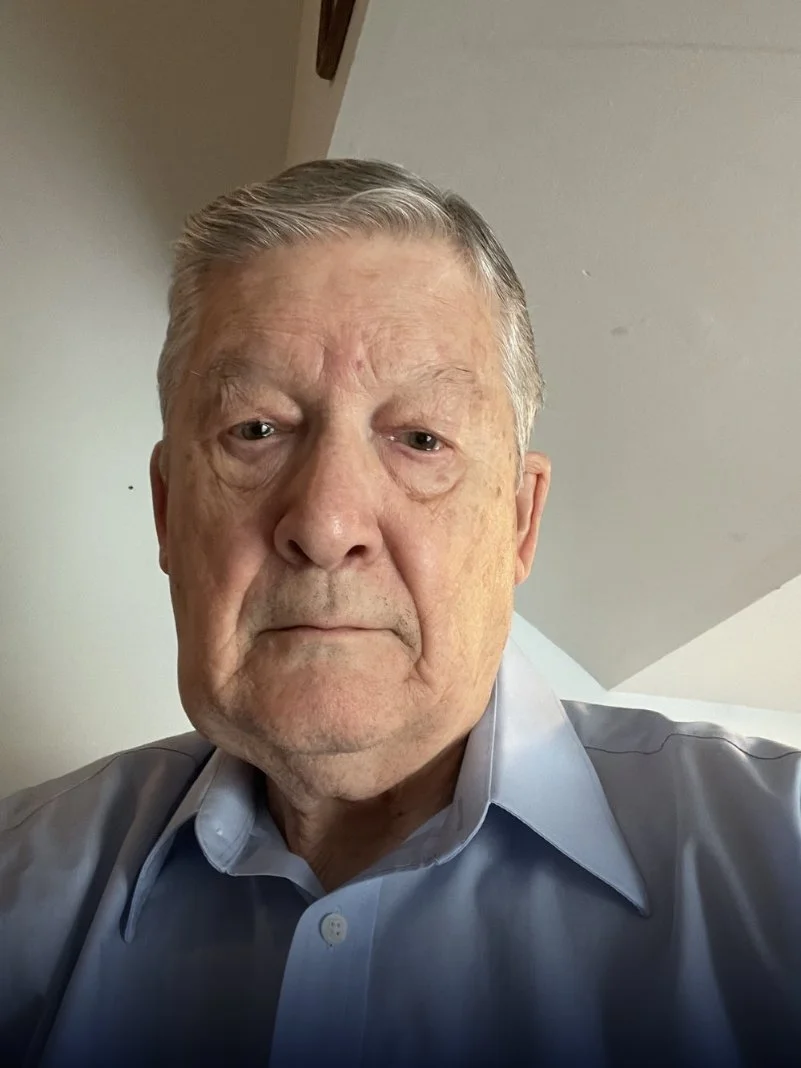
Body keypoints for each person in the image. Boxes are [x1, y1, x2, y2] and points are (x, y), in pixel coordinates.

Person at [1, 159, 799, 1068]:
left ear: (519, 521)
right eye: (254, 430)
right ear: (166, 510)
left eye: (420, 438)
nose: (325, 524)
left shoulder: (778, 861)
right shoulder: (18, 888)